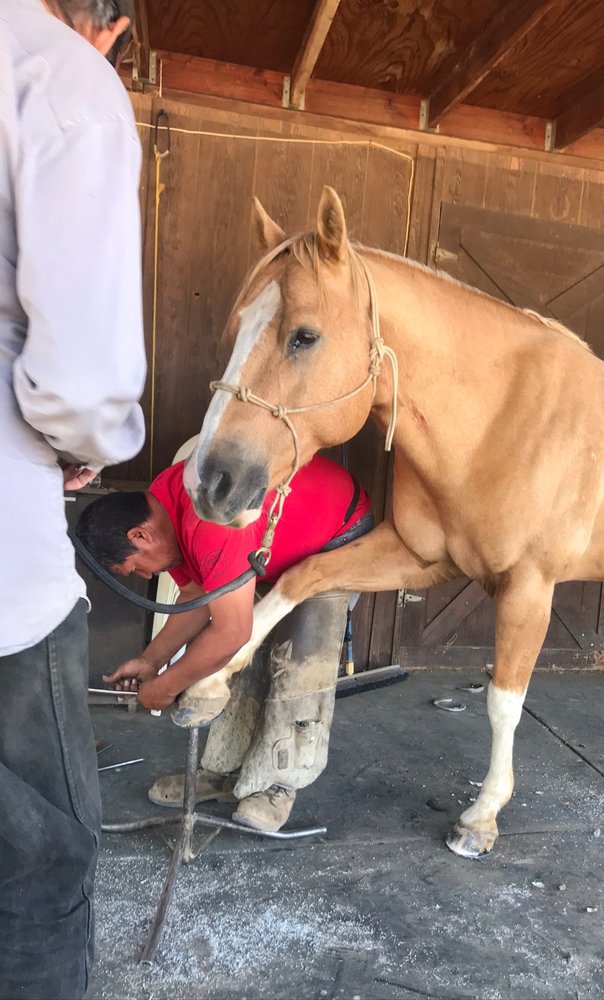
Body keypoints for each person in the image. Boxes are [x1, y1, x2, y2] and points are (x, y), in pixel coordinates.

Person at [0, 1, 146, 998]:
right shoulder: (60, 76)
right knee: (40, 858)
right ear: (112, 25)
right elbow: (84, 382)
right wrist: (80, 450)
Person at [77, 453, 373, 832]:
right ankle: (224, 774)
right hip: (274, 547)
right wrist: (152, 660)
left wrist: (166, 688)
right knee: (229, 662)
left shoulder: (207, 519)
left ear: (140, 535)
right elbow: (196, 598)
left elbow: (232, 632)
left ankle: (277, 784)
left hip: (335, 540)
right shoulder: (164, 507)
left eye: (135, 567)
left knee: (297, 656)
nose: (145, 574)